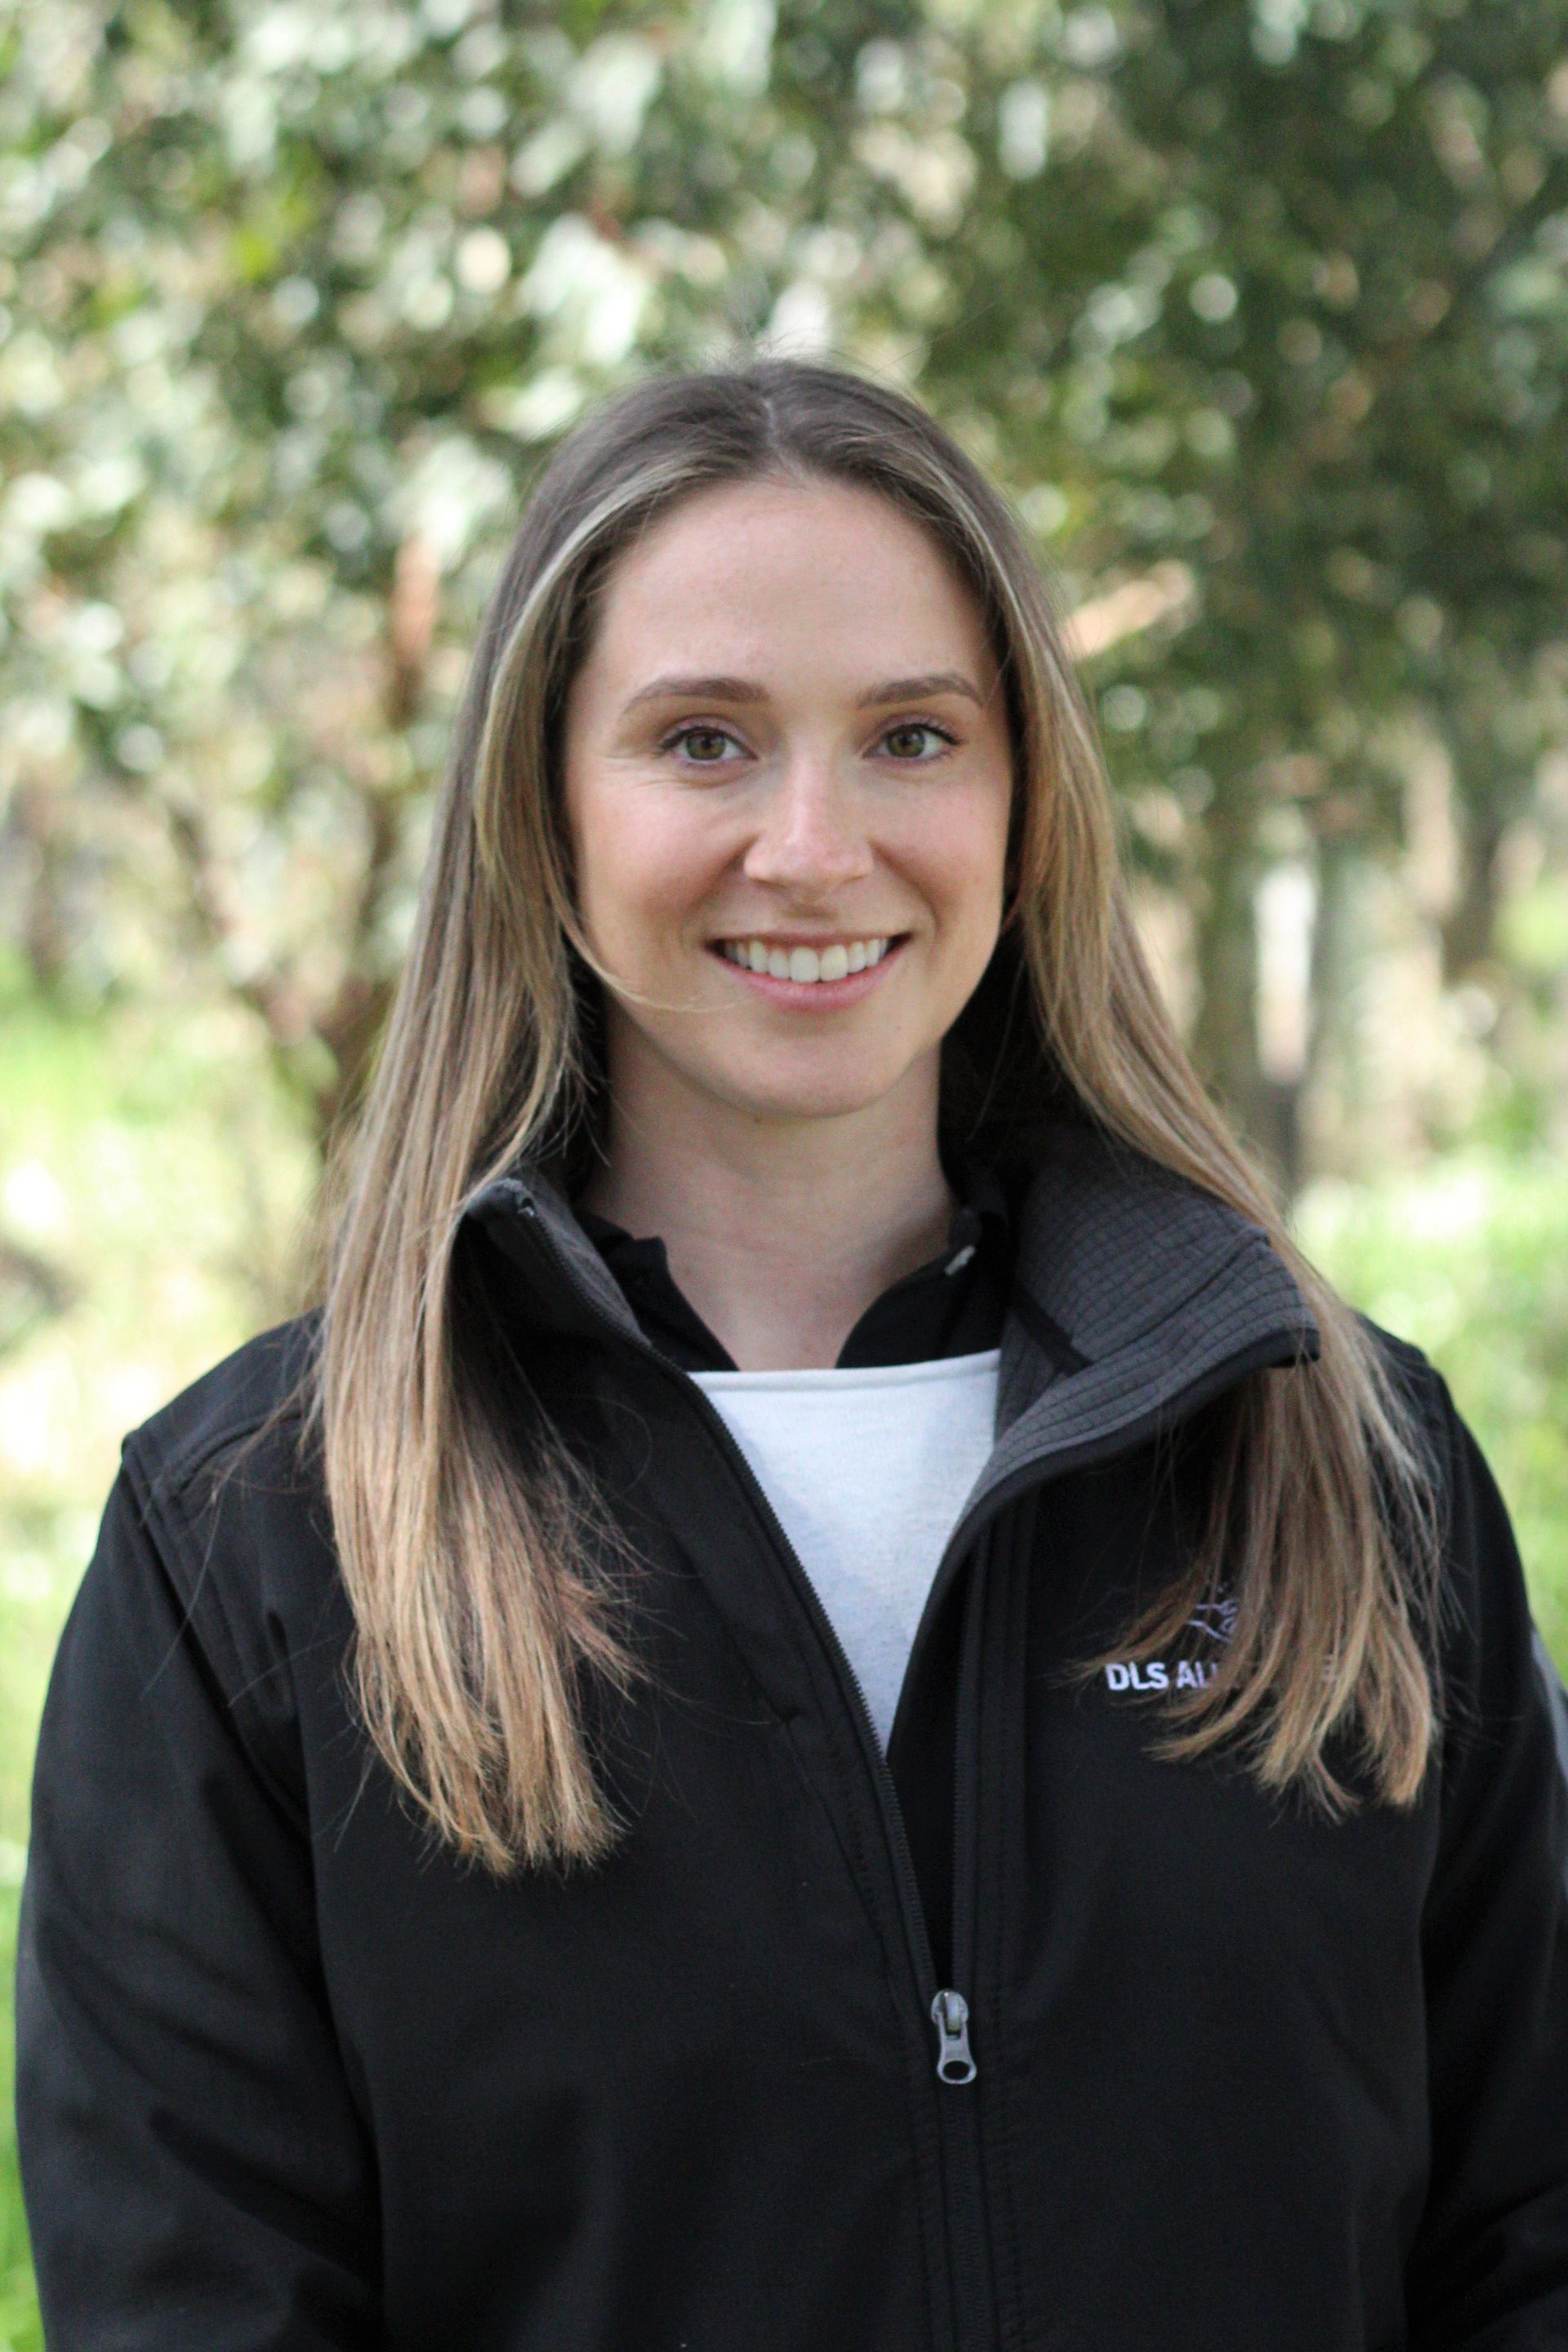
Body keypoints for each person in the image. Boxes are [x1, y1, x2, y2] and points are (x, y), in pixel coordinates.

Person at [16, 356, 1568, 2351]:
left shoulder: (1346, 1465)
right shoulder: (255, 1545)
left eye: (914, 736)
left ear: (1023, 806)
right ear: (542, 815)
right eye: (702, 743)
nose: (817, 846)